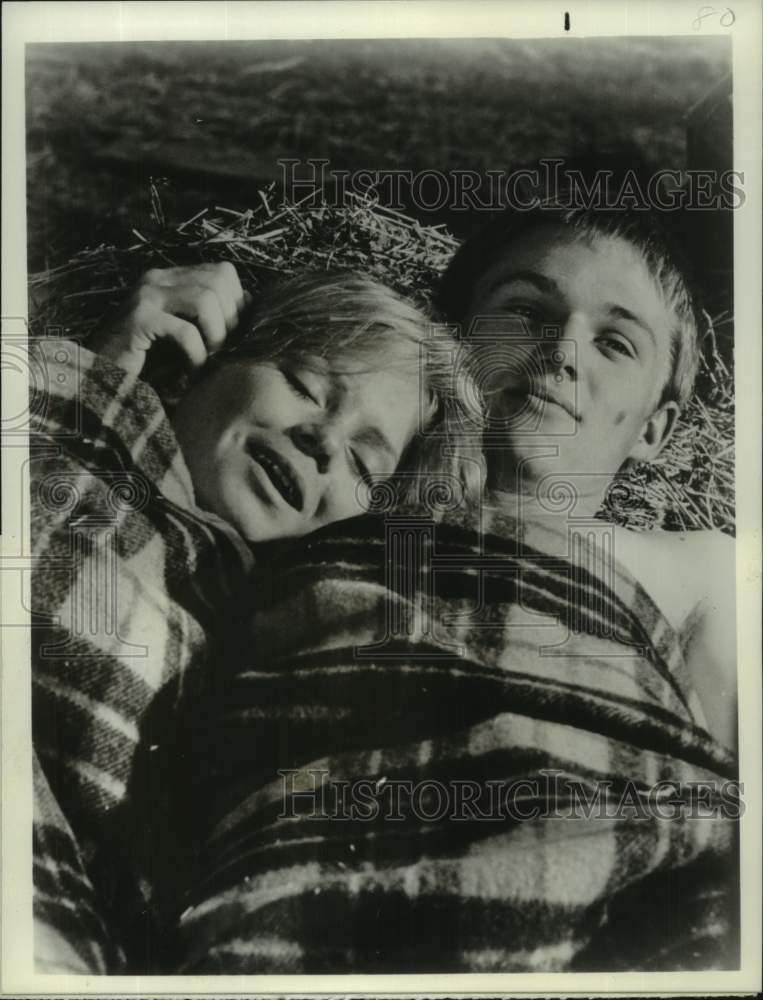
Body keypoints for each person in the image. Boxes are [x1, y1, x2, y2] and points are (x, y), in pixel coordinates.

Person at [31, 263, 479, 972]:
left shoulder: (277, 666)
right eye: (304, 384)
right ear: (199, 366)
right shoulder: (41, 415)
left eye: (365, 464)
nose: (325, 440)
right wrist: (97, 382)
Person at [435, 204, 737, 750]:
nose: (561, 352)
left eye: (614, 344)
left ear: (652, 431)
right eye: (525, 311)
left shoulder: (702, 582)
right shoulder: (341, 477)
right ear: (450, 341)